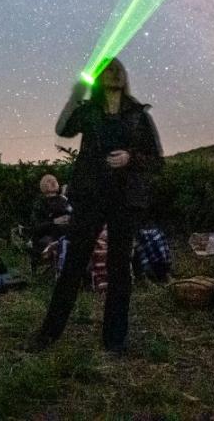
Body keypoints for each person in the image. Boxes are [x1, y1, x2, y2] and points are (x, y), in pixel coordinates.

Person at [30, 58, 163, 354]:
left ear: (124, 76)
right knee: (74, 264)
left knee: (120, 269)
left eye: (118, 68)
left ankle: (115, 341)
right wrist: (76, 96)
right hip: (91, 196)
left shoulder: (138, 115)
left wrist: (130, 158)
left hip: (125, 200)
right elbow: (63, 129)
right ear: (99, 78)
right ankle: (48, 335)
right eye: (107, 69)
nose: (114, 72)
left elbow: (157, 160)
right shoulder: (89, 111)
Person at [29, 173, 72, 262]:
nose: (53, 182)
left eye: (55, 181)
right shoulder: (40, 203)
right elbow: (36, 227)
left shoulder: (65, 200)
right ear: (43, 186)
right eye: (49, 181)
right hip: (49, 236)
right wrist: (54, 222)